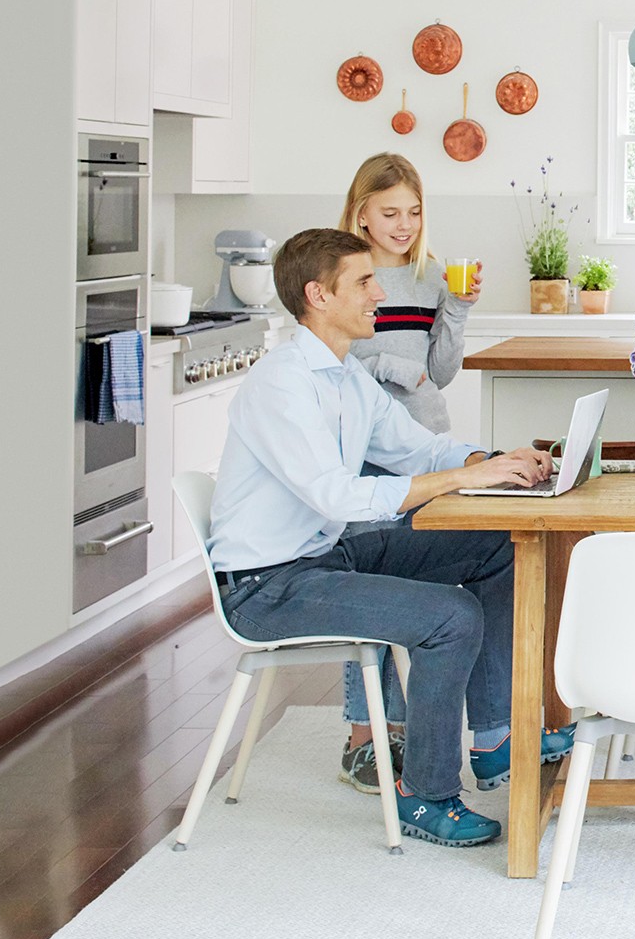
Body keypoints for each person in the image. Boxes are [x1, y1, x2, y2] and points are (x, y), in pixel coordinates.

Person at [207, 227, 573, 847]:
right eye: (365, 281)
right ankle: (424, 794)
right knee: (449, 617)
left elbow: (418, 448)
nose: (381, 293)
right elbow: (335, 494)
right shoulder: (282, 384)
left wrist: (498, 459)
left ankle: (495, 737)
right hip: (267, 586)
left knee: (497, 545)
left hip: (325, 555)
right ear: (318, 295)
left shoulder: (347, 377)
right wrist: (464, 476)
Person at [327, 153, 478, 793]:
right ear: (361, 211)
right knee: (366, 586)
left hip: (422, 440)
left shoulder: (429, 276)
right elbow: (331, 362)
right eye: (390, 212)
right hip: (361, 447)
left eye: (413, 212)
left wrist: (459, 306)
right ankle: (366, 734)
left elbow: (440, 372)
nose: (403, 224)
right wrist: (389, 366)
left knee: (425, 583)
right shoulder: (341, 277)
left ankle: (417, 729)